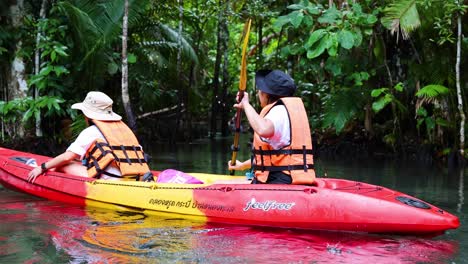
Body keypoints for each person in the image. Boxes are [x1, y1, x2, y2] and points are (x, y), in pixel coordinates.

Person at [27, 91, 151, 183]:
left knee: (64, 164)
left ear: (87, 115)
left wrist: (42, 167)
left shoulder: (91, 131)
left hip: (110, 181)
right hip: (134, 176)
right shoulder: (124, 130)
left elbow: (67, 156)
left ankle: (43, 175)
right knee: (78, 161)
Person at [228, 70, 316, 184]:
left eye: (260, 91)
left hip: (280, 181)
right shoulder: (286, 111)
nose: (258, 94)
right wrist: (242, 166)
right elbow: (272, 158)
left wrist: (246, 103)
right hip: (289, 177)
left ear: (266, 94)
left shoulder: (278, 111)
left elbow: (263, 129)